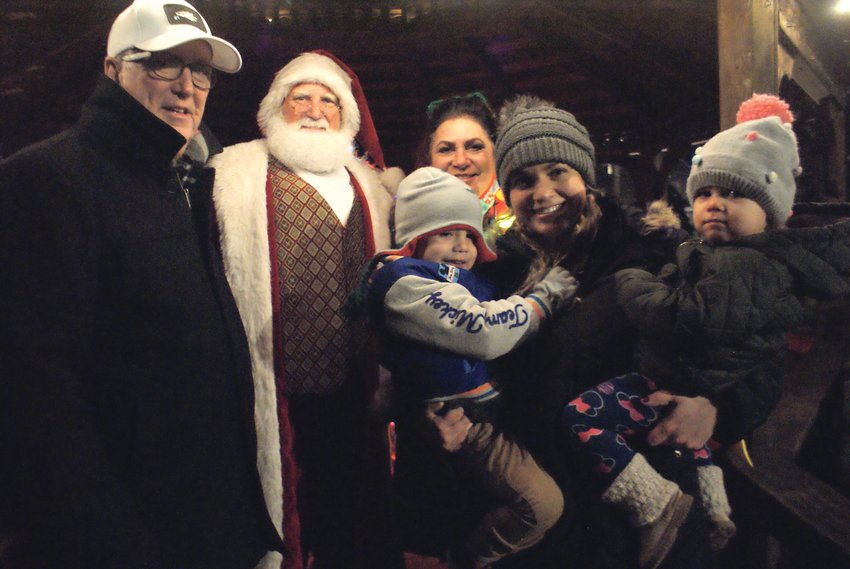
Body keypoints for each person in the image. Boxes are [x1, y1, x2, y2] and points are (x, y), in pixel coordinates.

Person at [428, 95, 785, 569]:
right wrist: (442, 411)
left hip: (640, 517)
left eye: (559, 172)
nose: (542, 192)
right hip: (545, 515)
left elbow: (758, 351)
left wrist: (716, 409)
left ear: (586, 177)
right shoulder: (497, 269)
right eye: (523, 180)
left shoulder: (649, 254)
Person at [0, 1, 286, 569]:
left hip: (211, 533)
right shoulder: (45, 179)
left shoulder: (183, 182)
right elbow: (39, 397)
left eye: (200, 71)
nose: (188, 86)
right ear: (112, 71)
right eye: (163, 64)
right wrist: (110, 543)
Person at [561, 94, 850, 569]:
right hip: (663, 420)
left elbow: (706, 330)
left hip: (665, 409)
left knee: (579, 418)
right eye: (704, 194)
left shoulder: (743, 264)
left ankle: (666, 504)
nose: (714, 205)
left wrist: (634, 282)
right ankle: (714, 504)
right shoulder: (712, 257)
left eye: (734, 194)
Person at [210, 51, 402, 569]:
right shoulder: (233, 175)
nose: (316, 111)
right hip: (274, 384)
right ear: (277, 107)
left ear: (347, 118)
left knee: (346, 510)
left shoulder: (374, 188)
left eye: (329, 101)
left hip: (353, 385)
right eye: (302, 98)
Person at [363, 167, 577, 568]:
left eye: (470, 237)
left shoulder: (479, 275)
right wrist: (544, 298)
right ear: (416, 239)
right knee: (542, 504)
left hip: (496, 415)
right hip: (467, 422)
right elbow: (481, 330)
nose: (462, 247)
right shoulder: (406, 282)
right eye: (446, 233)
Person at [423, 93, 515, 243]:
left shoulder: (526, 220)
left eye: (475, 147)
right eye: (446, 149)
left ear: (495, 151)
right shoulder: (410, 227)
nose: (461, 161)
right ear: (429, 159)